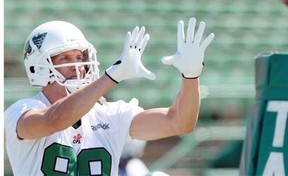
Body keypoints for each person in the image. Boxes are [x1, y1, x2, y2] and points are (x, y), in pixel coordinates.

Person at [4, 17, 215, 175]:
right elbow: (55, 119)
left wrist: (191, 76)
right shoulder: (21, 111)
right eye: (65, 57)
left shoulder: (107, 114)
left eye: (80, 57)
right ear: (38, 66)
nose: (77, 65)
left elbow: (178, 123)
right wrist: (112, 75)